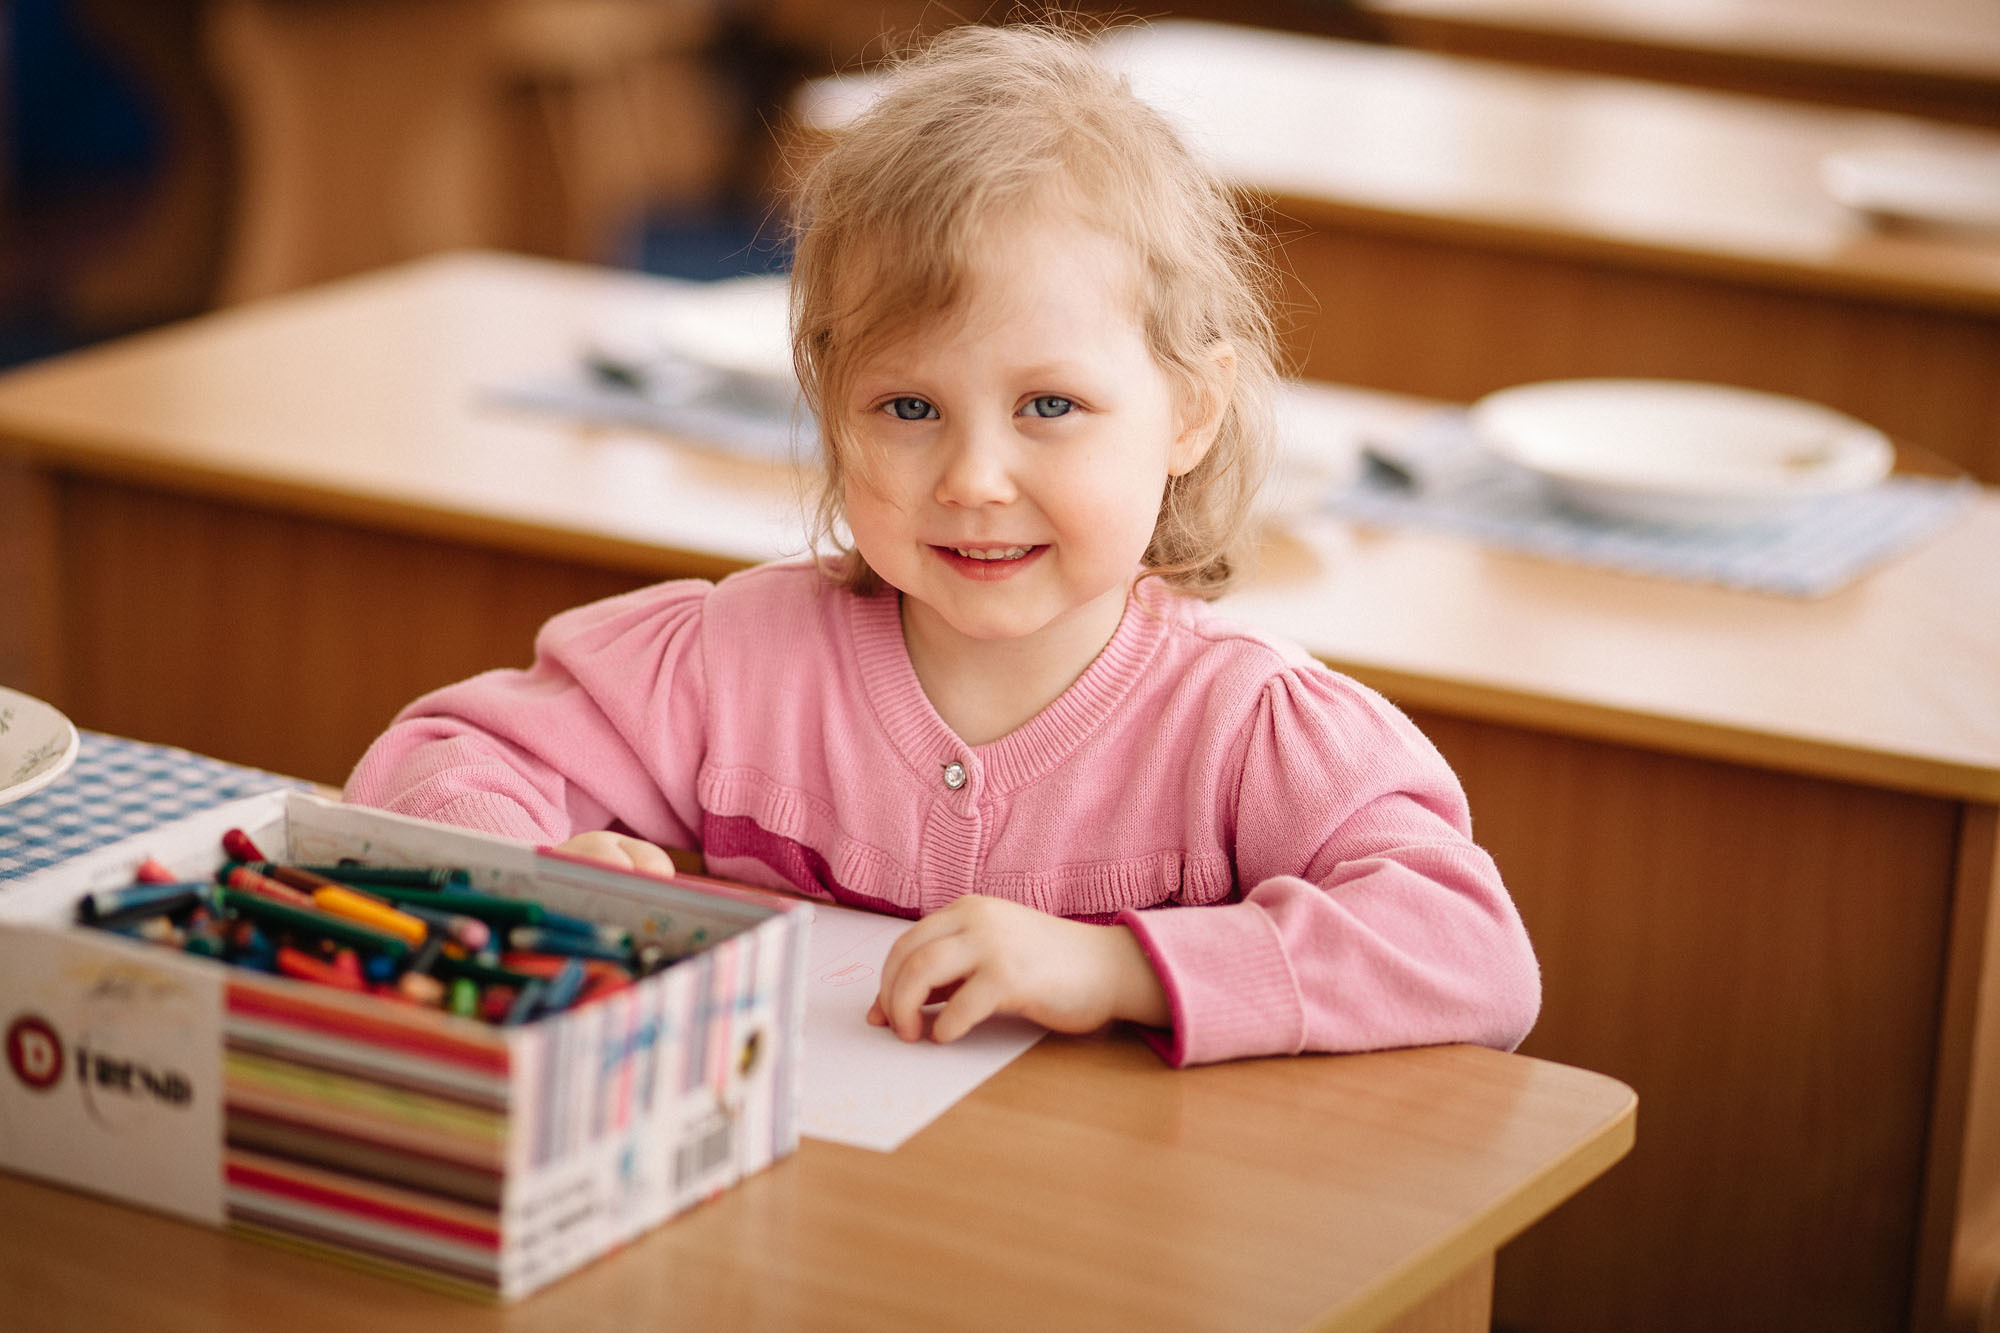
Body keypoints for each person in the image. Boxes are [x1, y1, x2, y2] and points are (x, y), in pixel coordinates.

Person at [344, 21, 1539, 1065]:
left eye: (1049, 408)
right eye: (907, 408)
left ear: (1189, 410)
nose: (971, 479)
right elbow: (433, 765)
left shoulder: (1246, 731)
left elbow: (1471, 953)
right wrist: (536, 876)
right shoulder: (721, 662)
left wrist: (1116, 970)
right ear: (829, 407)